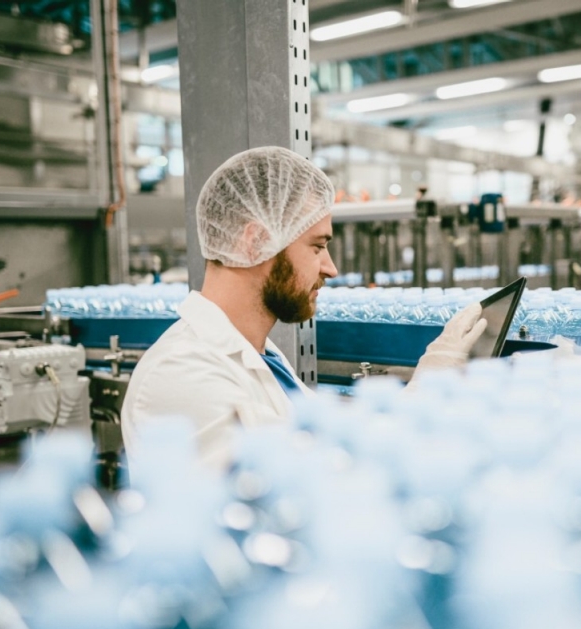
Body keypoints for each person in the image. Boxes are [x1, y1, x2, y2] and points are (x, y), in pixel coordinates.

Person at [121, 147, 486, 472]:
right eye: (317, 247)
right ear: (257, 242)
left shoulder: (260, 356)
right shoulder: (182, 376)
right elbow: (296, 492)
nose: (331, 268)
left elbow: (332, 445)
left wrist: (429, 380)